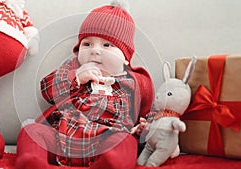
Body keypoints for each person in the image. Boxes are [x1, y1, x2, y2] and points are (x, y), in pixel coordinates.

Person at [15, 1, 154, 169]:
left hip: (106, 140)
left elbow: (146, 113)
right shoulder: (73, 70)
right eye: (87, 44)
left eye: (107, 45)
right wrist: (76, 77)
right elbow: (46, 89)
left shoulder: (135, 83)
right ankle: (32, 161)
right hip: (62, 137)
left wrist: (144, 128)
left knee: (125, 142)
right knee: (31, 131)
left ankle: (110, 164)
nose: (95, 50)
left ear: (125, 57)